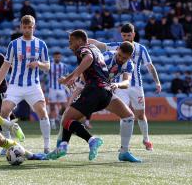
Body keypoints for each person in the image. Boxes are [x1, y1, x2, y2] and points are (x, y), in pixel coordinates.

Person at [47, 30, 141, 162]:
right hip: (89, 87)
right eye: (119, 55)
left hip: (100, 90)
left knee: (128, 116)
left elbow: (126, 82)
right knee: (69, 116)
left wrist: (117, 85)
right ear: (117, 50)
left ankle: (123, 152)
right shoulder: (107, 56)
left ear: (130, 57)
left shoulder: (128, 64)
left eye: (124, 58)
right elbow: (86, 68)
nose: (120, 59)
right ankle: (61, 146)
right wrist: (73, 81)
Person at [89, 23, 161, 151]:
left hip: (136, 86)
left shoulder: (141, 49)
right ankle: (123, 146)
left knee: (140, 115)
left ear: (134, 34)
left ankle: (146, 139)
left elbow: (150, 66)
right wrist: (84, 40)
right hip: (120, 86)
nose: (127, 37)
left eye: (129, 35)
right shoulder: (119, 46)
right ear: (121, 35)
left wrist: (157, 82)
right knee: (125, 114)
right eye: (124, 35)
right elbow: (100, 44)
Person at [0, 15, 51, 154]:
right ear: (21, 27)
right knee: (4, 111)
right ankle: (7, 143)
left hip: (33, 85)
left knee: (43, 112)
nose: (27, 30)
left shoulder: (41, 44)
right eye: (25, 27)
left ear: (34, 27)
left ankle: (47, 146)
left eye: (30, 27)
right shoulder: (14, 44)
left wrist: (38, 64)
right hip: (15, 85)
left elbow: (47, 66)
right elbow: (6, 65)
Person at [48, 51, 69, 130]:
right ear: (53, 57)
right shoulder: (50, 65)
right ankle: (52, 123)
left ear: (60, 57)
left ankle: (58, 118)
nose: (57, 58)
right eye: (56, 57)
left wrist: (66, 83)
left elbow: (67, 76)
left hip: (61, 89)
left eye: (58, 57)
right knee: (52, 107)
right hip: (52, 88)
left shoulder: (64, 66)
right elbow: (44, 75)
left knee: (64, 107)